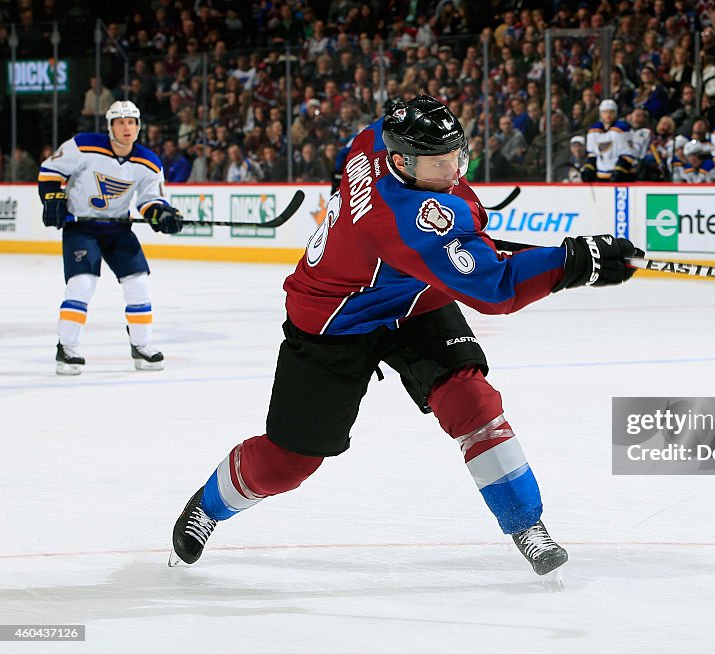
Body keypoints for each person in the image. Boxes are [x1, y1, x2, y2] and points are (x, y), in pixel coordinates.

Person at [169, 95, 641, 576]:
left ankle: (525, 523)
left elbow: (449, 231)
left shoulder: (377, 137)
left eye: (457, 154)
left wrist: (461, 239)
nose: (455, 169)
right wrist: (575, 262)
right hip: (335, 320)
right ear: (402, 162)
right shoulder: (402, 217)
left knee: (472, 403)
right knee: (291, 461)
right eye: (440, 163)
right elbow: (496, 289)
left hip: (412, 299)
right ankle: (207, 508)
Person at [37, 100, 183, 375]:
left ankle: (142, 345)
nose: (127, 128)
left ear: (138, 127)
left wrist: (161, 214)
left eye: (132, 122)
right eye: (120, 122)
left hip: (117, 229)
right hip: (81, 227)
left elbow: (151, 200)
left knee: (139, 283)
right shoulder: (83, 145)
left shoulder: (149, 162)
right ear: (110, 126)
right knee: (82, 284)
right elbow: (50, 171)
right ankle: (66, 348)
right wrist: (53, 197)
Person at [582, 99, 636, 182]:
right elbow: (592, 154)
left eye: (611, 112)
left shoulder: (622, 129)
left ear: (616, 113)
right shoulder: (593, 131)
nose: (608, 115)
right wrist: (589, 168)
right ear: (600, 113)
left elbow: (628, 154)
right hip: (601, 176)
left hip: (622, 177)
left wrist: (620, 170)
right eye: (605, 112)